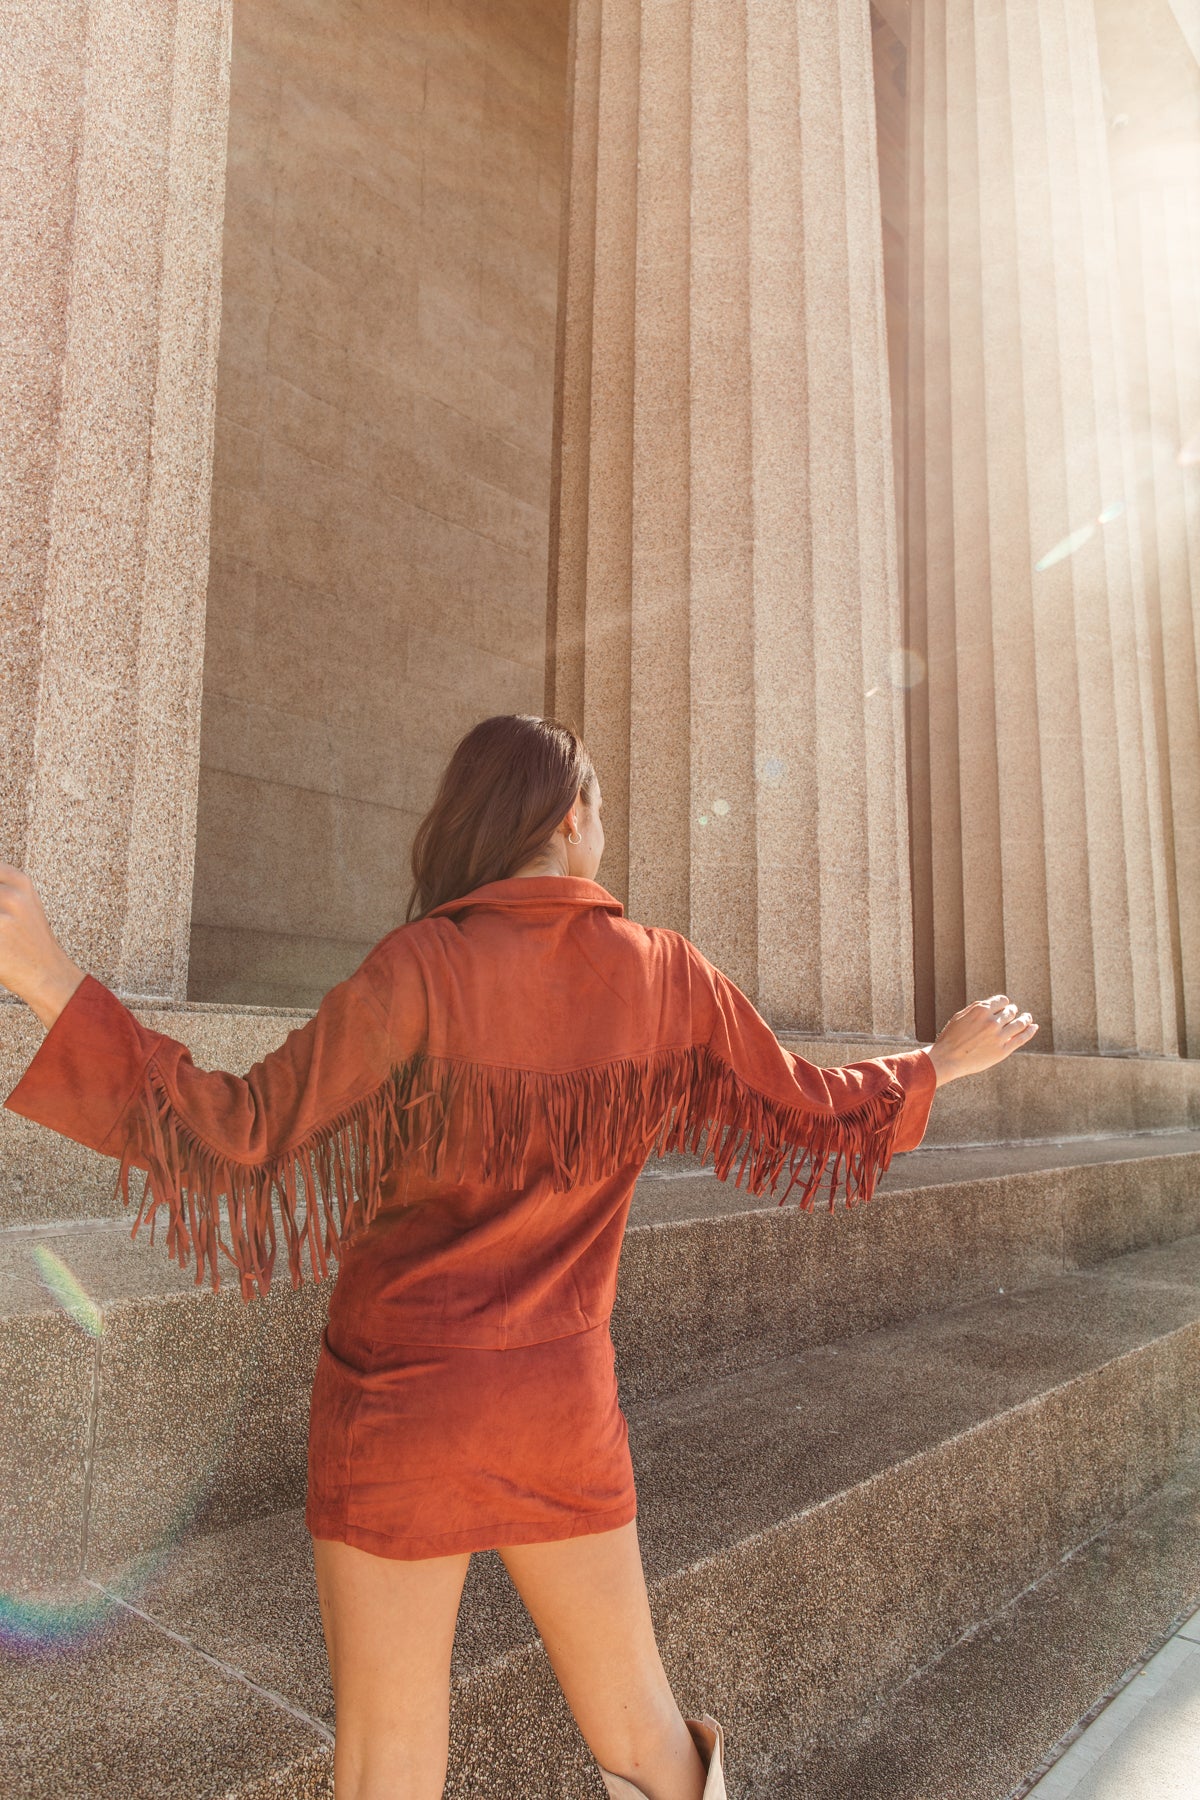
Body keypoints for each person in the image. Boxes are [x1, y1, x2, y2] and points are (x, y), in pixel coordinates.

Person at [0, 714, 1037, 1800]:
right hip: (558, 1407)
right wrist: (936, 1066)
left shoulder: (422, 966)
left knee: (387, 1760)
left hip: (398, 1402)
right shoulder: (665, 974)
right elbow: (810, 1112)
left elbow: (241, 1132)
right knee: (641, 1733)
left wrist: (54, 984)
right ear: (573, 813)